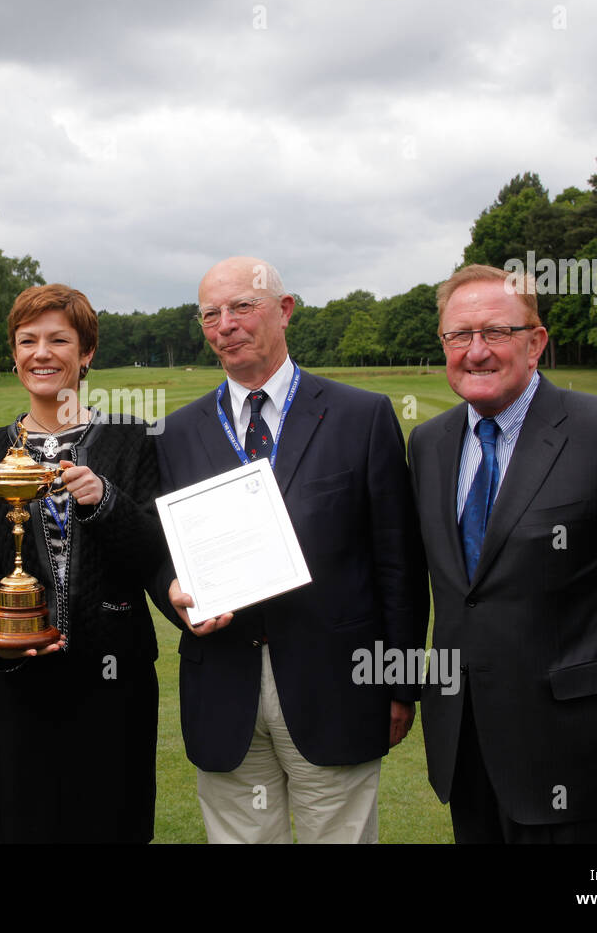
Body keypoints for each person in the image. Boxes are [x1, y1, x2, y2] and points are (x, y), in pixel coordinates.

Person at [408, 264, 597, 843]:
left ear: (536, 341)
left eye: (496, 332)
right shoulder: (430, 443)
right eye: (459, 336)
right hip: (466, 744)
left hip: (580, 745)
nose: (476, 351)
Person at [153, 256, 428, 843]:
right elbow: (163, 555)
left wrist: (401, 682)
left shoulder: (361, 416)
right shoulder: (178, 432)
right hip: (224, 683)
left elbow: (397, 561)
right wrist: (172, 595)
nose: (224, 324)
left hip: (338, 686)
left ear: (284, 310)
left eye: (241, 307)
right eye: (210, 313)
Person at [0, 284, 163, 843]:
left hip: (114, 676)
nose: (41, 353)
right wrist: (0, 638)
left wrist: (106, 501)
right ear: (14, 353)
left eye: (59, 339)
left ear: (87, 352)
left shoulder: (130, 439)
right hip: (23, 680)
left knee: (113, 824)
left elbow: (153, 556)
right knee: (30, 825)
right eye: (27, 340)